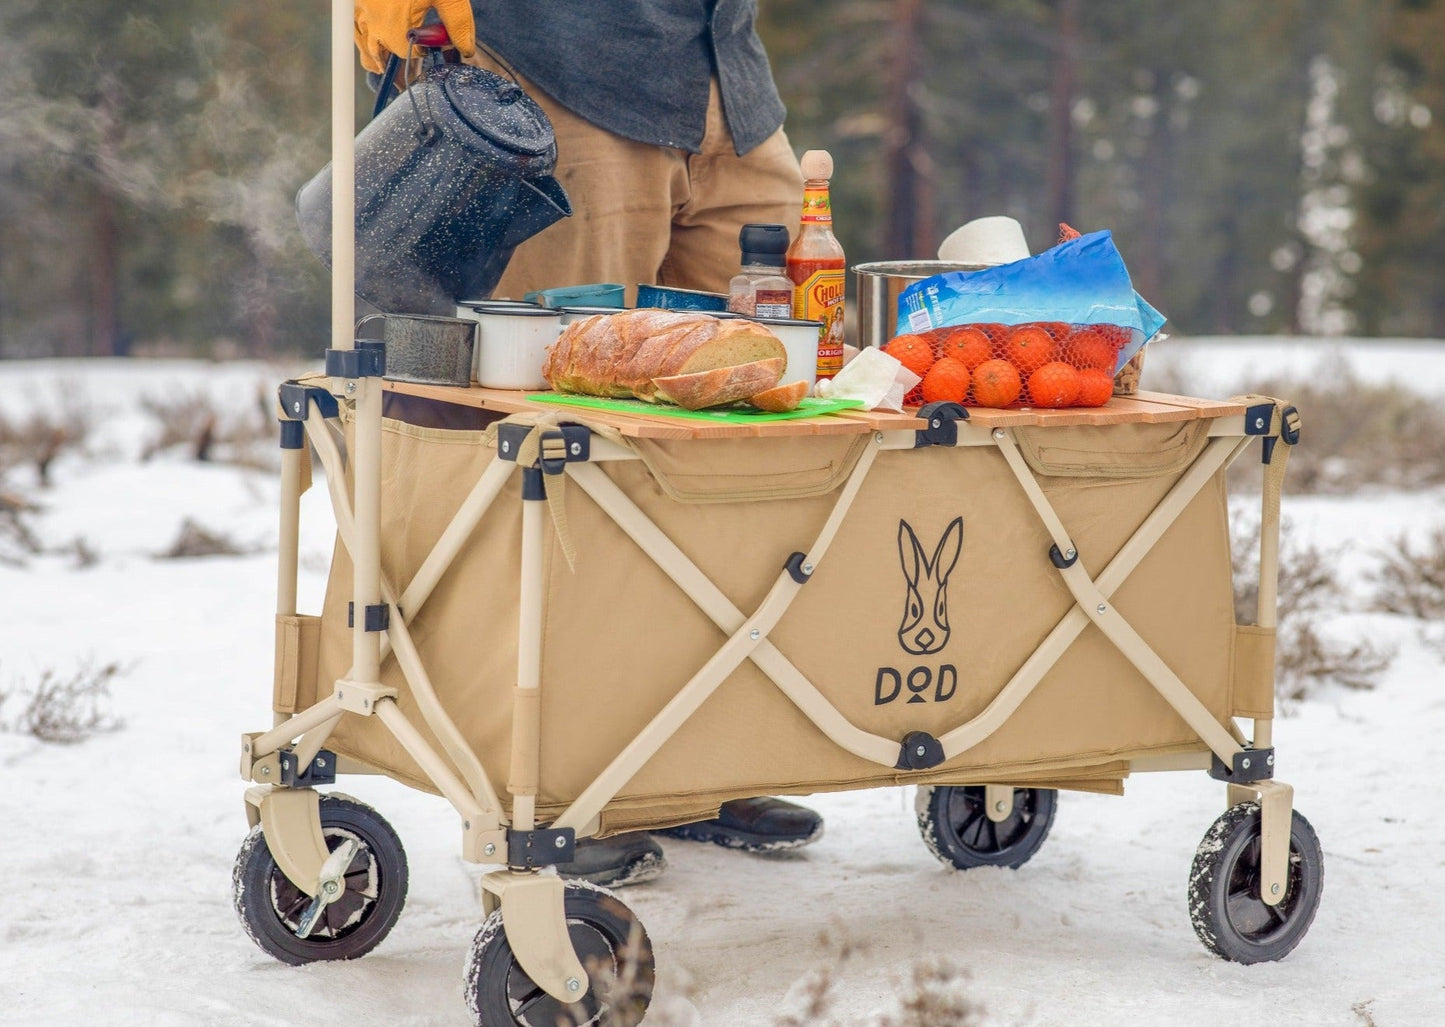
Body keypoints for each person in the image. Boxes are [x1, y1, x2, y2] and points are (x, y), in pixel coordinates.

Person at [352, 0, 825, 887]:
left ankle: (689, 766)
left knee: (743, 444)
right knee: (548, 440)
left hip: (729, 88)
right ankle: (540, 782)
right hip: (558, 76)